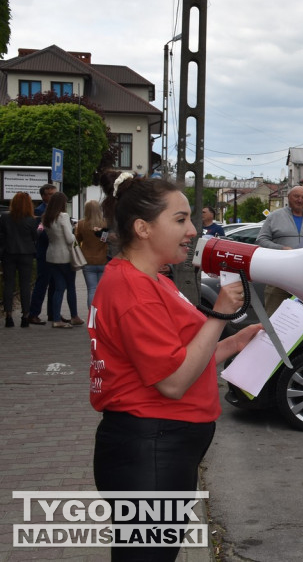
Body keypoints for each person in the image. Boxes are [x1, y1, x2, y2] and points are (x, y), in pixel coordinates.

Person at [90, 173, 260, 562]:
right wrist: (220, 315)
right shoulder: (134, 290)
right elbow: (172, 381)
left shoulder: (153, 280)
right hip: (150, 447)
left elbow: (185, 357)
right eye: (180, 219)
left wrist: (236, 341)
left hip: (160, 446)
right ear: (143, 228)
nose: (193, 229)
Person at [256, 186, 303, 314]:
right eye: (296, 196)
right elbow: (261, 240)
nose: (300, 200)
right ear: (289, 198)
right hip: (278, 278)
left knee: (298, 321)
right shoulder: (274, 217)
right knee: (274, 319)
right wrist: (282, 249)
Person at [42, 192, 83, 329]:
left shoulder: (47, 217)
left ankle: (56, 318)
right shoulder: (63, 216)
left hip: (52, 256)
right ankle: (74, 316)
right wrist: (73, 231)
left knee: (58, 288)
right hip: (65, 256)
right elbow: (69, 239)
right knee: (70, 286)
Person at [0, 192, 39, 328]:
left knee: (8, 284)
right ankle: (25, 316)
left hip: (8, 253)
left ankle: (9, 316)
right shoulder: (31, 220)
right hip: (26, 254)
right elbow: (35, 237)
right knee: (25, 285)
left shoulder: (5, 217)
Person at [25, 183, 56, 325]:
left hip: (55, 252)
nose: (53, 196)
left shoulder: (56, 209)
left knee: (55, 284)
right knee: (42, 283)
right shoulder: (39, 211)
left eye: (54, 193)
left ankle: (53, 313)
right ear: (43, 196)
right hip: (44, 252)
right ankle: (34, 313)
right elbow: (39, 233)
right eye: (50, 194)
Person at [75, 200, 110, 311]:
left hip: (88, 261)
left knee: (91, 290)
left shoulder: (81, 224)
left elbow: (77, 239)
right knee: (101, 291)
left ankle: (92, 316)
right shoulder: (105, 223)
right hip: (103, 260)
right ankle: (101, 315)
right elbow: (105, 240)